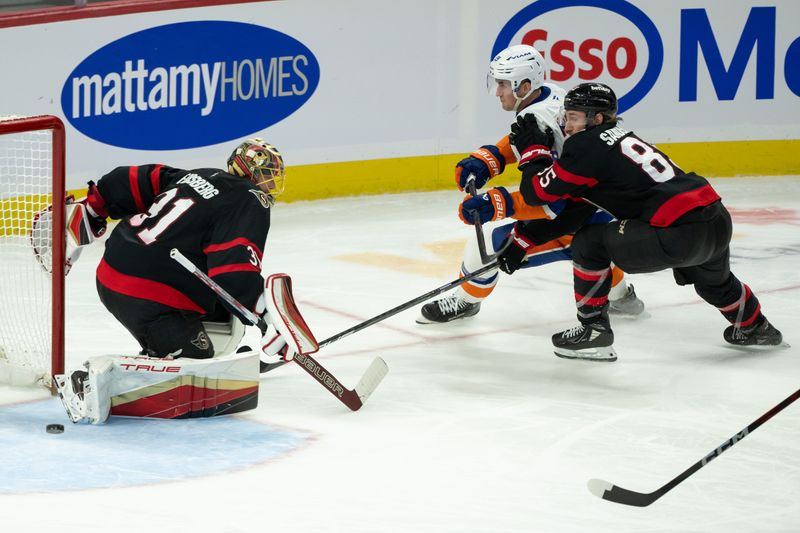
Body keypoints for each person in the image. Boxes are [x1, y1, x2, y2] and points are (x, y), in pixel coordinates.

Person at [502, 82, 783, 361]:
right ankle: (756, 327)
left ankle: (594, 332)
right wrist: (526, 240)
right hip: (715, 220)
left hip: (679, 231)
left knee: (589, 241)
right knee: (714, 282)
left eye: (573, 118)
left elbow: (535, 193)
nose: (566, 126)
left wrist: (533, 151)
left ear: (596, 119)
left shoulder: (586, 146)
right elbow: (579, 208)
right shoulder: (618, 137)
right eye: (566, 117)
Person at [52, 139, 318, 424]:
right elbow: (232, 269)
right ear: (248, 171)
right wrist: (266, 316)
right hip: (148, 290)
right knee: (196, 367)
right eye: (266, 174)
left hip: (113, 269)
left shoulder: (200, 174)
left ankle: (176, 347)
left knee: (225, 310)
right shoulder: (251, 199)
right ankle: (91, 381)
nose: (270, 182)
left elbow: (133, 180)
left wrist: (95, 206)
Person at [417, 44, 644, 324]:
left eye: (502, 84)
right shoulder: (552, 94)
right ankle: (622, 296)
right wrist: (490, 159)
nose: (497, 92)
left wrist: (497, 205)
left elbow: (549, 201)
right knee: (592, 251)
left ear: (524, 86)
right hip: (600, 208)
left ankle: (466, 300)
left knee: (486, 245)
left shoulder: (535, 114)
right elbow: (528, 140)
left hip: (576, 215)